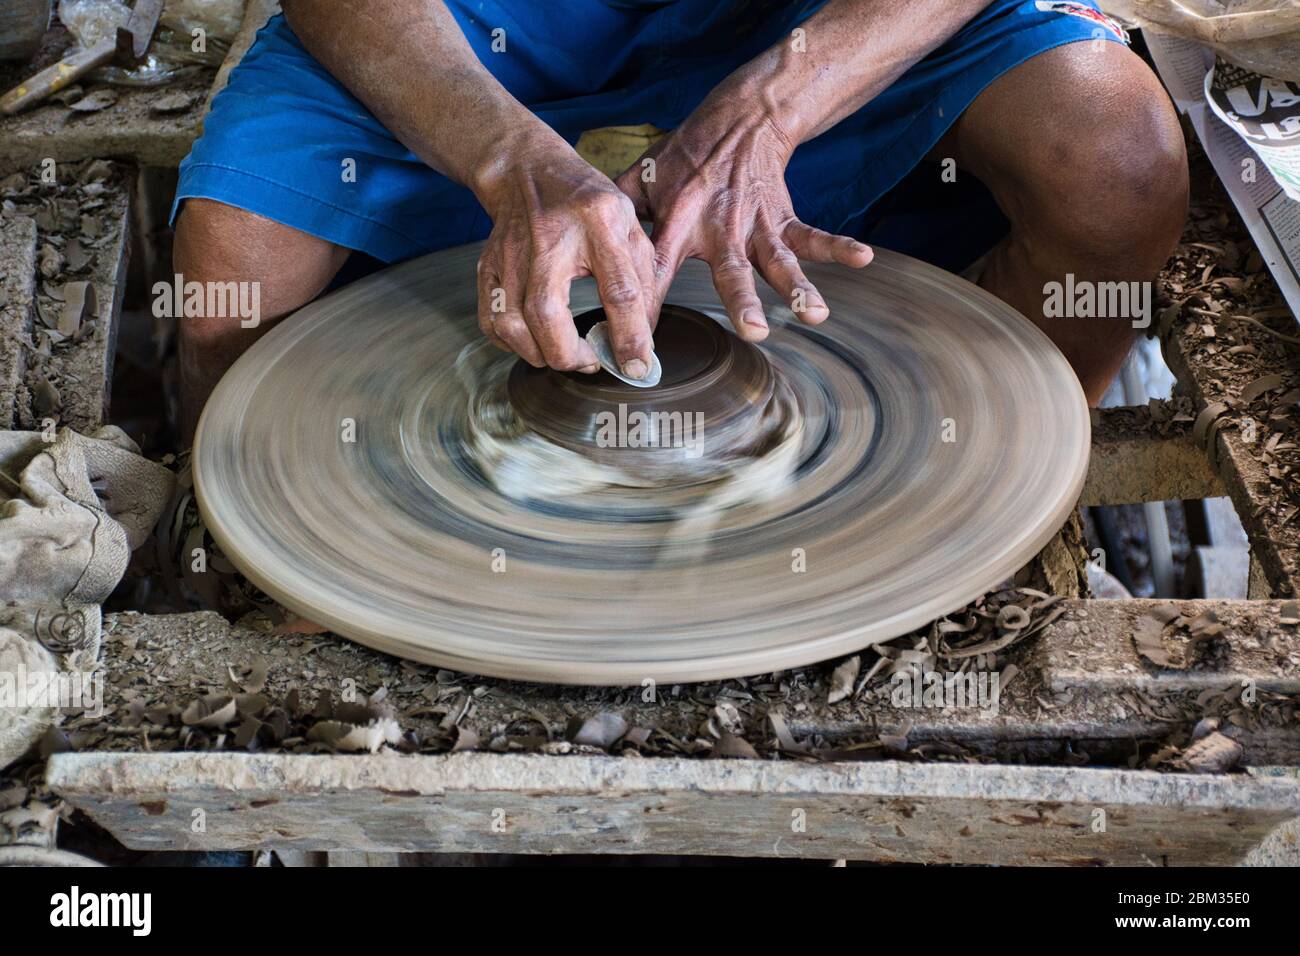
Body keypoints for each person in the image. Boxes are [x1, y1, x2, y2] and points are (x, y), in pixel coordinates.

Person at [173, 0, 1188, 438]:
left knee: (1113, 161)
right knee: (232, 267)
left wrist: (771, 107)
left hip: (830, 21)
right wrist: (505, 155)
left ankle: (1009, 492)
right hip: (495, 24)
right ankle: (270, 589)